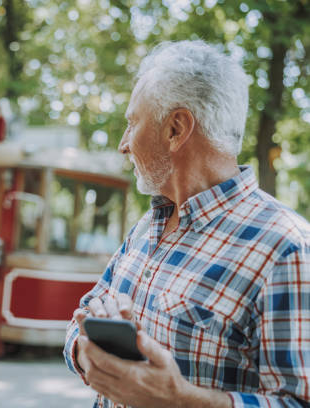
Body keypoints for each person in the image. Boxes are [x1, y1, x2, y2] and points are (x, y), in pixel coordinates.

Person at [64, 40, 309, 408]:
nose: (123, 144)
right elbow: (76, 325)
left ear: (176, 129)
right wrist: (88, 352)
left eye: (132, 124)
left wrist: (179, 400)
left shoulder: (286, 249)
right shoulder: (147, 228)